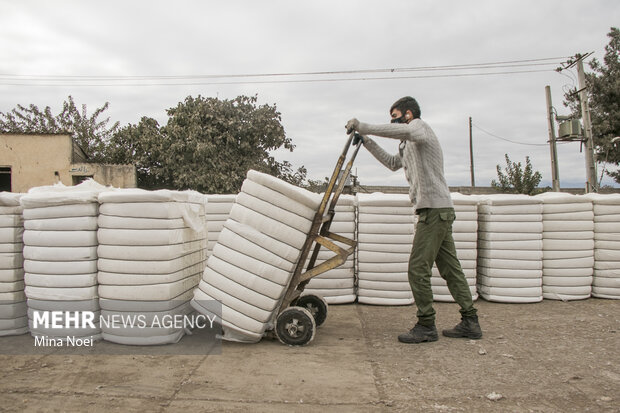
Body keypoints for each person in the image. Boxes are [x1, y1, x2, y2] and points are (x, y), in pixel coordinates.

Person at [346, 96, 482, 344]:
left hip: (434, 210)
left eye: (395, 116)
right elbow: (391, 163)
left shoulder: (420, 127)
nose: (392, 122)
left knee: (417, 268)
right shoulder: (407, 145)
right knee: (451, 269)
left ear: (408, 115)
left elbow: (407, 132)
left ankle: (426, 324)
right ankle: (470, 321)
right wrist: (366, 141)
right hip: (436, 210)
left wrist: (362, 125)